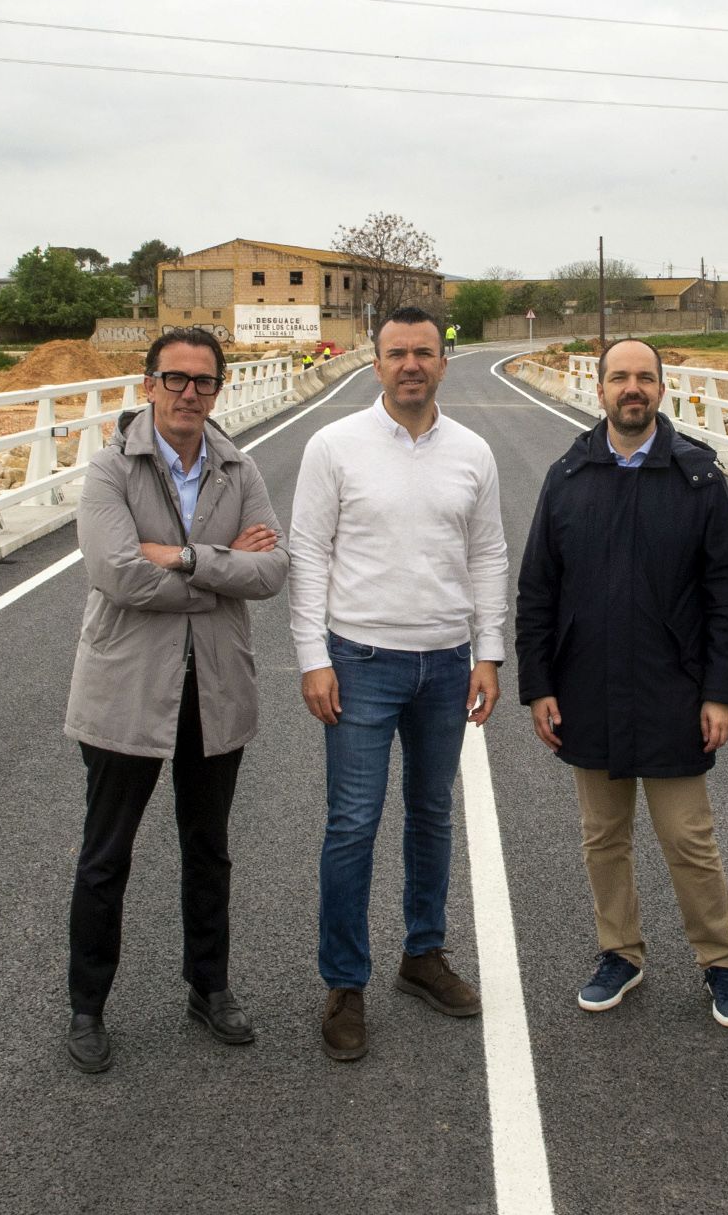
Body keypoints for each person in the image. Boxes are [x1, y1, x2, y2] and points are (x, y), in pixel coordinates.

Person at [61, 326, 290, 1074]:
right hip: (127, 687)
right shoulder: (110, 468)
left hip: (214, 685)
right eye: (176, 378)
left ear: (219, 389)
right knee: (106, 855)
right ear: (149, 385)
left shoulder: (237, 467)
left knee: (209, 848)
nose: (190, 393)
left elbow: (273, 571)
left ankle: (209, 986)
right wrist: (221, 572)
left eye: (204, 381)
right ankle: (87, 1006)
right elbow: (117, 572)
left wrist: (185, 557)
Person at [516, 339, 728, 1027]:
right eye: (619, 377)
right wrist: (539, 684)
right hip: (587, 687)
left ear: (660, 389)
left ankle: (720, 961)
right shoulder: (568, 475)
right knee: (603, 836)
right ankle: (619, 953)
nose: (632, 388)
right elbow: (538, 590)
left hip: (673, 690)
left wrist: (721, 692)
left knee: (688, 839)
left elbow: (727, 596)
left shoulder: (697, 478)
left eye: (644, 377)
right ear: (599, 390)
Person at [290, 305, 509, 1062]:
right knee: (353, 824)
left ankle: (423, 954)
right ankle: (344, 982)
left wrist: (490, 653)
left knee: (432, 814)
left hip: (446, 661)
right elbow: (309, 552)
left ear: (443, 361)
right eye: (396, 353)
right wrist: (312, 657)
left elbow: (488, 553)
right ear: (375, 361)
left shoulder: (473, 452)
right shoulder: (334, 446)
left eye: (424, 352)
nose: (411, 364)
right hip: (360, 661)